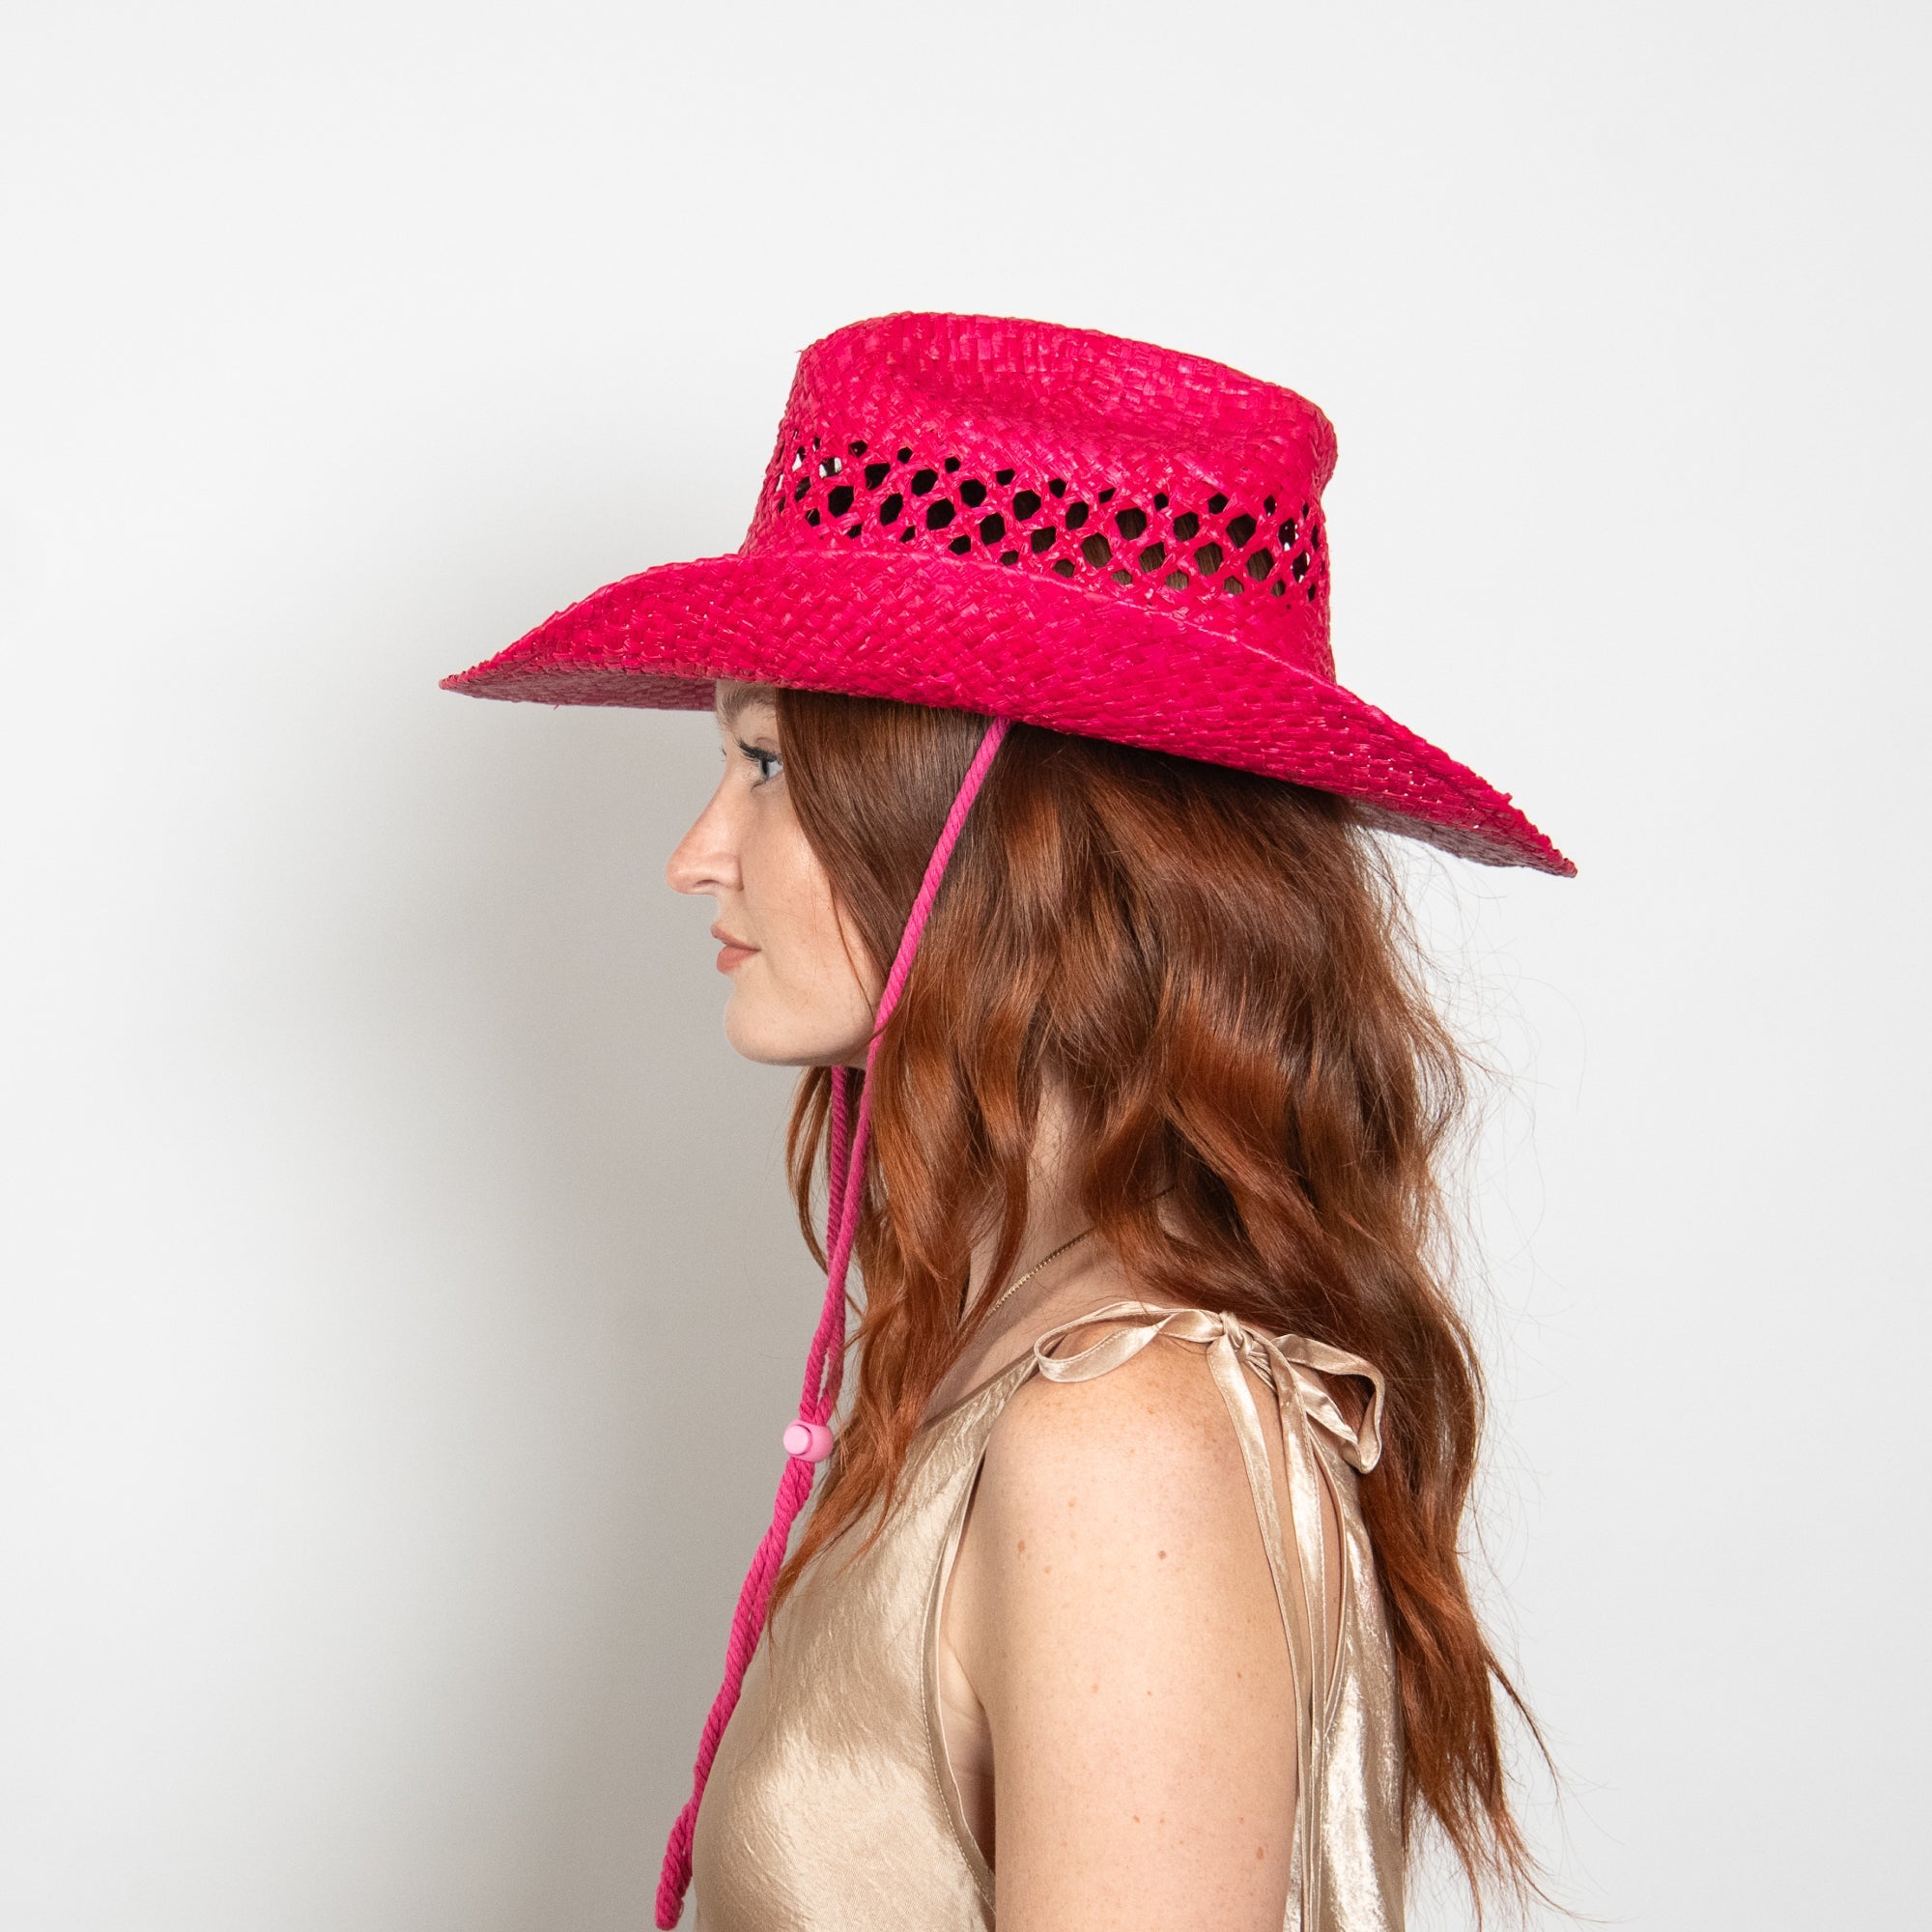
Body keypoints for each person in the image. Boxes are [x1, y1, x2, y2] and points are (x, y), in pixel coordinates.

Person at [441, 312, 1573, 1931]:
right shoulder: (1007, 1352)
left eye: (766, 762)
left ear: (1001, 832)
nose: (698, 851)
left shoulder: (1121, 1439)